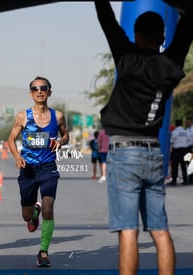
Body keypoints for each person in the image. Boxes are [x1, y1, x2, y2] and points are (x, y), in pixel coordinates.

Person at [94, 1, 193, 274]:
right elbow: (185, 32)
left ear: (136, 36)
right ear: (162, 37)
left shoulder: (126, 58)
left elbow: (108, 22)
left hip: (124, 153)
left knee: (128, 230)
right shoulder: (170, 65)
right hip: (153, 153)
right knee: (160, 230)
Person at [7, 76, 69, 267]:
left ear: (49, 92)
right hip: (28, 170)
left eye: (43, 88)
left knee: (49, 207)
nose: (39, 91)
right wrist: (17, 157)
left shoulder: (57, 116)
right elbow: (10, 139)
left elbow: (66, 135)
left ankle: (43, 252)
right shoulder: (22, 116)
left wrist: (60, 141)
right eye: (35, 89)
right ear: (31, 93)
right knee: (26, 216)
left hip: (48, 167)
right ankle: (34, 212)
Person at [169, 119, 190, 185]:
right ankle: (185, 180)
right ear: (181, 124)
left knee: (175, 166)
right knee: (184, 166)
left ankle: (174, 180)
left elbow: (171, 142)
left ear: (176, 125)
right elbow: (189, 141)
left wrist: (170, 151)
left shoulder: (174, 132)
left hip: (176, 150)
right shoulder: (186, 132)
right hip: (185, 150)